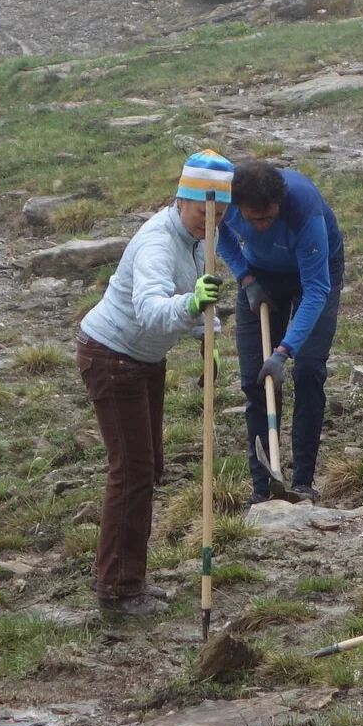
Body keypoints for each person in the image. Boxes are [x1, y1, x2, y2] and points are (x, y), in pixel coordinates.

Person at [75, 150, 231, 618]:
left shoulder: (199, 239)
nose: (212, 223)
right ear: (182, 200)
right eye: (204, 212)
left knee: (148, 467)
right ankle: (118, 589)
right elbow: (150, 309)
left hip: (145, 359)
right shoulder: (156, 244)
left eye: (220, 215)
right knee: (132, 471)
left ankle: (127, 575)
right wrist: (190, 305)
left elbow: (203, 294)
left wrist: (208, 338)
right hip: (111, 355)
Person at [220, 161, 344, 507]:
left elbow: (317, 290)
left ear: (279, 202)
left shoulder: (304, 210)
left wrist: (283, 351)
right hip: (260, 274)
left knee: (308, 371)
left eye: (268, 218)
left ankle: (303, 482)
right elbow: (218, 234)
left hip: (316, 274)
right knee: (254, 379)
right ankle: (262, 488)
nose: (261, 225)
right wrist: (246, 279)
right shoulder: (227, 202)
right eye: (254, 219)